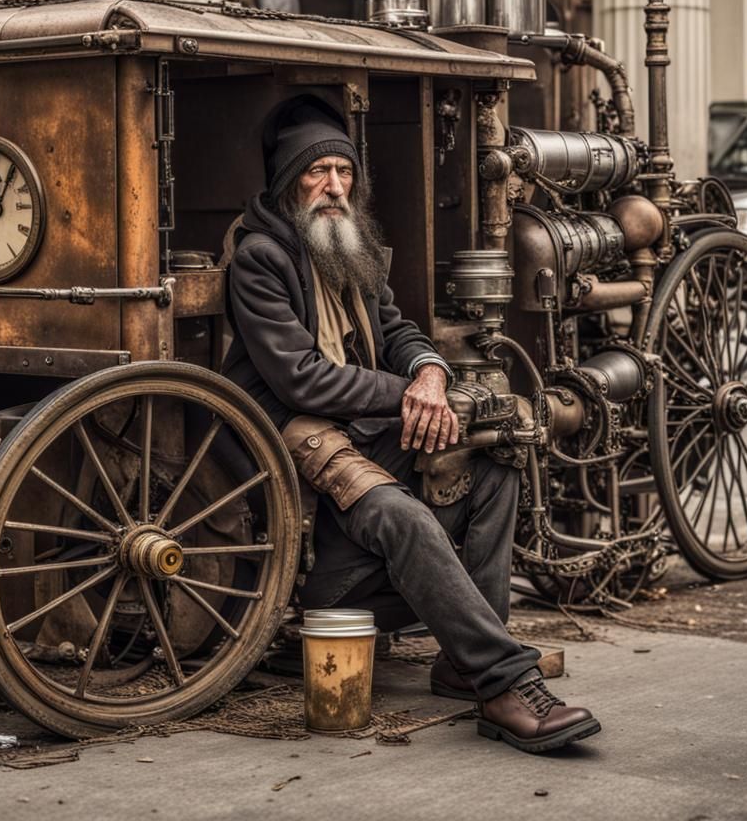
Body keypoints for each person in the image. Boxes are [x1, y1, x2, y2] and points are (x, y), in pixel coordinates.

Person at [221, 95, 600, 754]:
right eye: (318, 173)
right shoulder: (259, 258)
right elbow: (300, 378)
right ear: (289, 183)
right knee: (404, 518)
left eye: (344, 172)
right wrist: (407, 396)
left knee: (492, 455)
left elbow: (395, 328)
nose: (335, 186)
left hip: (361, 422)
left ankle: (464, 662)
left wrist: (428, 372)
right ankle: (505, 683)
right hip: (290, 430)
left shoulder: (345, 241)